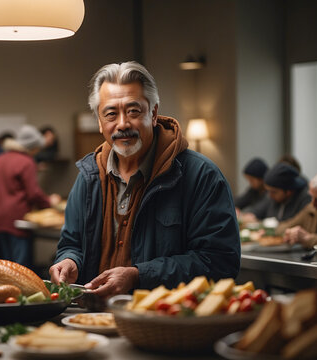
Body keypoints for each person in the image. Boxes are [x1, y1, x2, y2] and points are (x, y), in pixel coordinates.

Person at [49, 61, 240, 298]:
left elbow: (220, 263)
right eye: (110, 114)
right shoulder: (89, 177)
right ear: (100, 122)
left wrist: (139, 275)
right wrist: (69, 260)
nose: (122, 124)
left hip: (165, 324)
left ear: (154, 112)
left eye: (133, 111)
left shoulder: (201, 176)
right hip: (91, 320)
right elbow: (71, 243)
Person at [0, 125, 61, 266]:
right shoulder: (27, 162)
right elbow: (33, 193)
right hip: (17, 221)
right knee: (20, 268)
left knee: (6, 266)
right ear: (32, 147)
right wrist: (50, 201)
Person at [277, 169, 317, 249]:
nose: (313, 203)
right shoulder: (311, 210)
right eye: (312, 197)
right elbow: (284, 227)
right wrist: (290, 233)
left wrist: (308, 239)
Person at [245, 163, 311, 222]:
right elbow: (258, 211)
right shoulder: (274, 198)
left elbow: (295, 224)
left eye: (273, 192)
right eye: (268, 191)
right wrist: (251, 215)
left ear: (288, 192)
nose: (270, 195)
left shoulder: (304, 199)